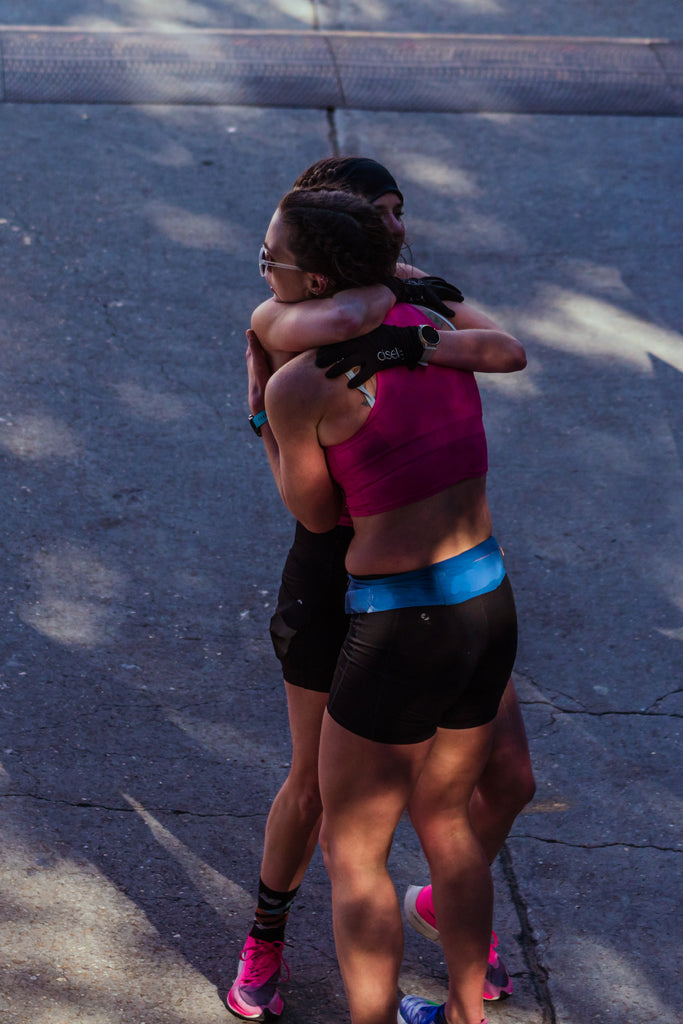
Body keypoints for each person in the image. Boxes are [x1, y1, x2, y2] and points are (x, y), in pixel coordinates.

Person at [226, 161, 532, 1022]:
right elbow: (505, 348)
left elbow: (316, 513)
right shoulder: (437, 333)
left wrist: (264, 410)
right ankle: (467, 1015)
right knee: (446, 822)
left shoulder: (303, 380)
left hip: (399, 623)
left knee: (355, 853)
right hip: (486, 597)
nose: (262, 268)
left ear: (312, 279)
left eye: (269, 257)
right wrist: (422, 303)